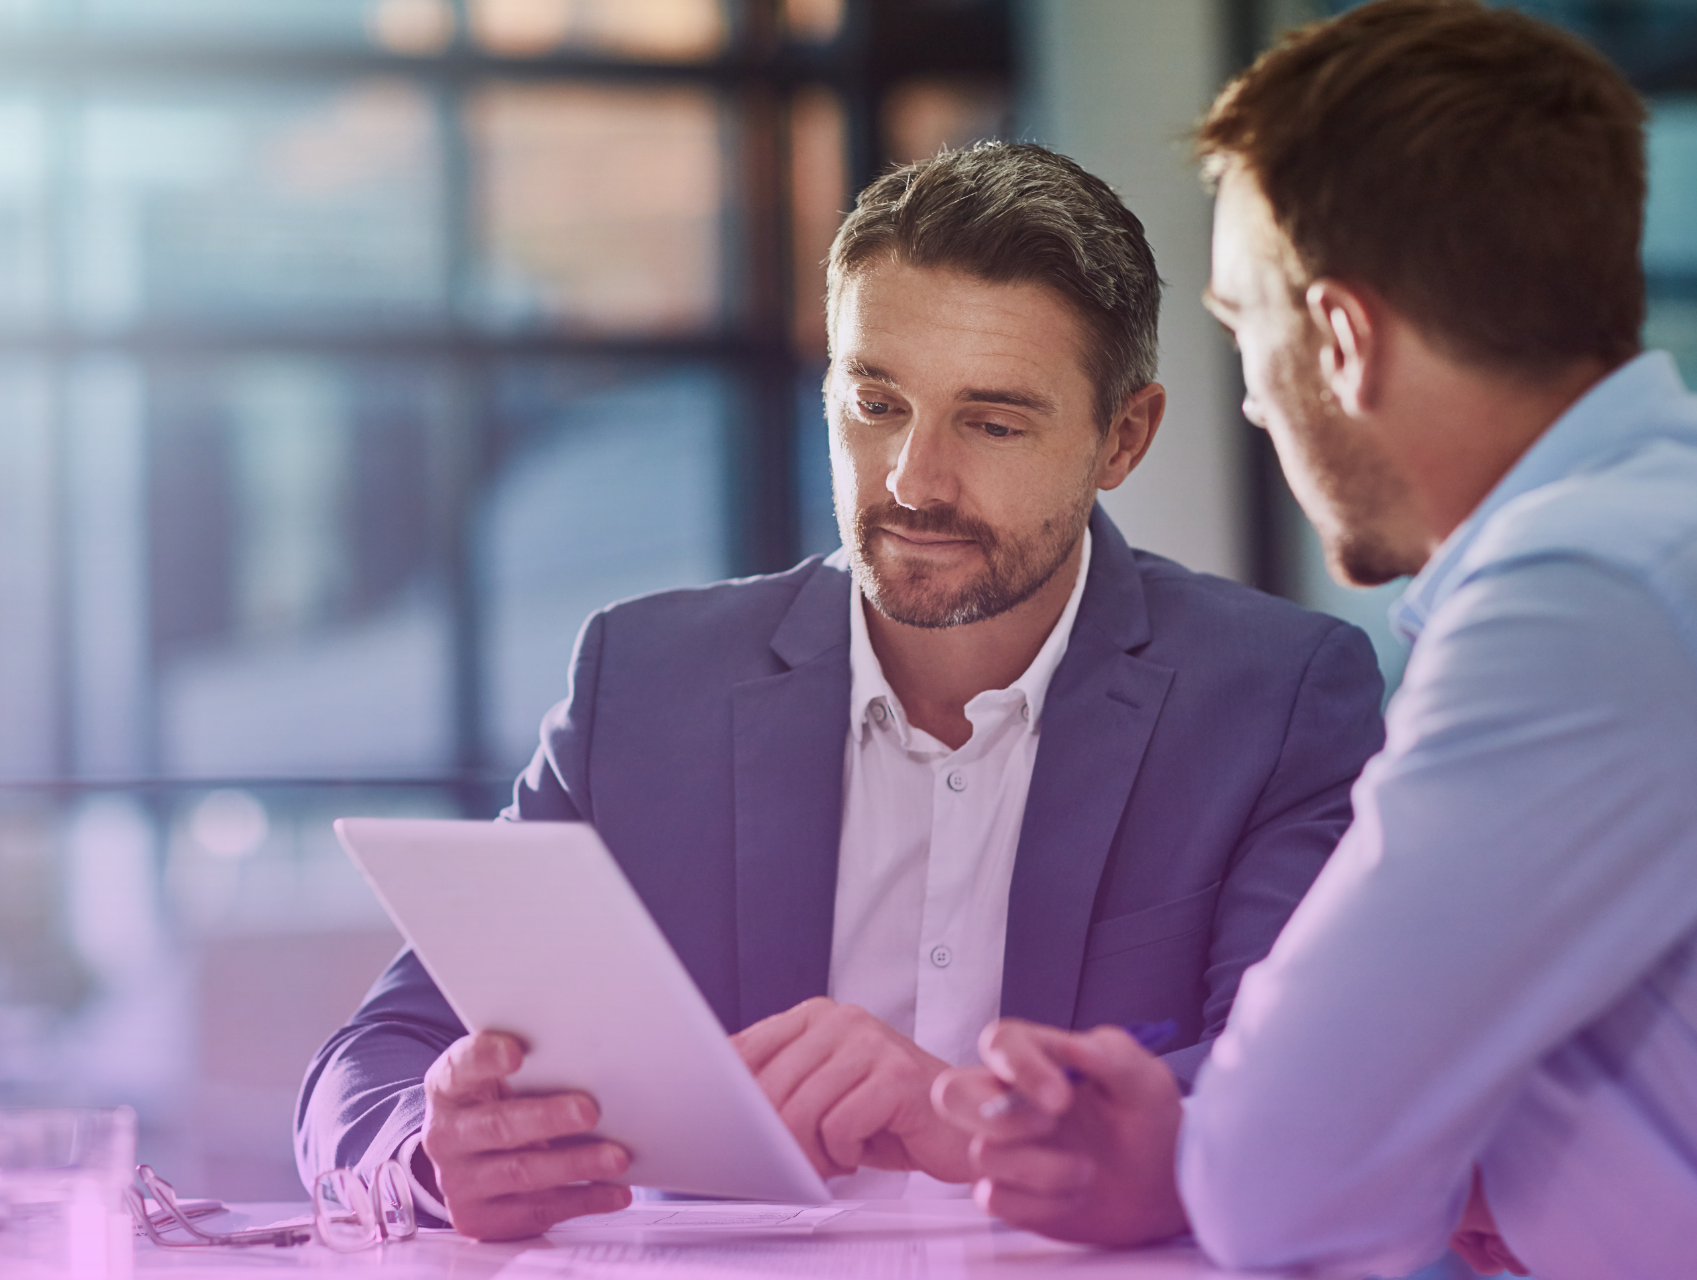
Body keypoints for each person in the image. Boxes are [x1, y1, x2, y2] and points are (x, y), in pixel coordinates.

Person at [296, 142, 1386, 1242]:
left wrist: (958, 1114)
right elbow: (370, 1062)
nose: (914, 479)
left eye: (993, 422)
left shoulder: (1277, 696)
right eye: (875, 403)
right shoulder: (645, 683)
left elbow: (1314, 1088)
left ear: (1123, 437)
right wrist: (432, 1154)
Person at [932, 4, 1697, 1277]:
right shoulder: (1652, 539)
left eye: (1246, 329)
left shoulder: (1581, 590)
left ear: (1340, 339)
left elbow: (1280, 1184)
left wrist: (1210, 1153)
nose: (1244, 396)